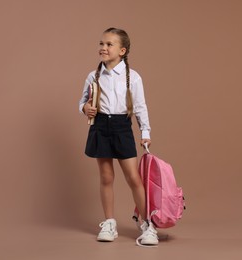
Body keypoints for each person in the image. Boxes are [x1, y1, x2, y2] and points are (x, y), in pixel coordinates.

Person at [78, 27, 158, 246]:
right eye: (101, 43)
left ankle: (148, 225)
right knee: (106, 177)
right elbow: (82, 101)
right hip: (100, 126)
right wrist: (86, 108)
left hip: (122, 127)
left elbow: (140, 107)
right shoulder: (93, 75)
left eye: (109, 44)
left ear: (122, 50)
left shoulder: (133, 77)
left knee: (133, 178)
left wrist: (145, 132)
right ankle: (109, 223)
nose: (103, 48)